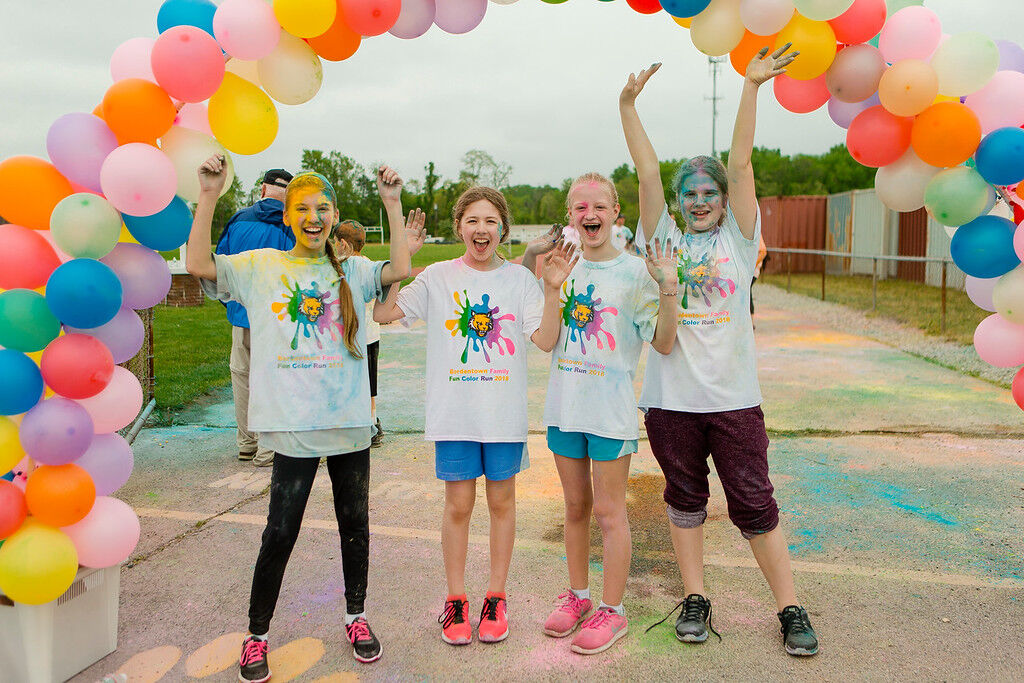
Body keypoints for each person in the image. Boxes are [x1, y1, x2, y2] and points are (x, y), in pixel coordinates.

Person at [620, 47, 820, 657]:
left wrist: (752, 88)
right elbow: (648, 175)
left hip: (734, 401)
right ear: (679, 203)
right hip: (671, 403)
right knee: (684, 502)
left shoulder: (739, 240)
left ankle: (788, 607)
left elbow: (741, 163)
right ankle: (695, 598)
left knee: (755, 504)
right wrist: (627, 107)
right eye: (691, 193)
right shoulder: (663, 240)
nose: (701, 198)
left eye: (709, 191)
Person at [186, 155, 412, 681]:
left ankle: (356, 615)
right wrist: (209, 195)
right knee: (280, 530)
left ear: (334, 216)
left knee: (354, 523)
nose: (314, 216)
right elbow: (199, 265)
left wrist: (393, 204)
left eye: (323, 207)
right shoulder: (261, 265)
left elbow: (399, 270)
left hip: (348, 421)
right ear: (287, 216)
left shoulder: (352, 269)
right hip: (292, 423)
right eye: (303, 208)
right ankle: (257, 634)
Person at [374, 186, 573, 647]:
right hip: (456, 416)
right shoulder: (439, 276)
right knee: (458, 507)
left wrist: (551, 289)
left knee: (501, 506)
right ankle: (456, 600)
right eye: (472, 221)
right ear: (459, 227)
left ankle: (496, 598)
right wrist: (403, 261)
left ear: (502, 229)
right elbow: (384, 312)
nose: (481, 230)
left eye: (490, 222)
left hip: (501, 417)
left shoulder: (521, 282)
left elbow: (544, 340)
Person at [523, 173, 679, 655]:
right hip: (564, 411)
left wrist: (669, 288)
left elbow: (665, 343)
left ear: (616, 215)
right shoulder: (559, 267)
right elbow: (546, 342)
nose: (589, 215)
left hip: (609, 415)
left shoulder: (636, 273)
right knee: (574, 509)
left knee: (610, 514)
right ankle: (579, 596)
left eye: (599, 207)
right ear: (570, 216)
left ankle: (613, 610)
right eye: (579, 207)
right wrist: (551, 291)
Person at [215, 168, 295, 467]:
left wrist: (233, 306)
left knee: (243, 379)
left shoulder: (238, 220)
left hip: (241, 315)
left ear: (263, 189)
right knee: (275, 382)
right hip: (276, 319)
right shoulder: (292, 225)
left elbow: (220, 267)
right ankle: (268, 448)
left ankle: (247, 443)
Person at [332, 214, 426, 447]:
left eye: (335, 242)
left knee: (350, 385)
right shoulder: (371, 266)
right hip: (372, 337)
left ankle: (359, 425)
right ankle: (373, 423)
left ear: (342, 244)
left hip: (352, 339)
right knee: (370, 387)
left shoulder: (345, 269)